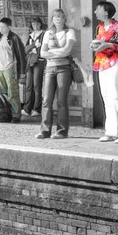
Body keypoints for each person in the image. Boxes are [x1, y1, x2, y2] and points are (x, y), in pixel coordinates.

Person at [92, 1, 118, 144]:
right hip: (102, 63)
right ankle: (110, 131)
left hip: (115, 62)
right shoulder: (100, 27)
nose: (95, 12)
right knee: (106, 97)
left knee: (117, 96)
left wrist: (107, 44)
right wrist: (96, 45)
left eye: (97, 9)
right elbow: (100, 42)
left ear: (106, 11)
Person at [38, 9, 76, 139]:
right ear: (52, 19)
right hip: (49, 68)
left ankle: (62, 131)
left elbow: (67, 51)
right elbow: (42, 53)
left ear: (64, 19)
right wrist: (58, 52)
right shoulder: (48, 33)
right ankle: (44, 130)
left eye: (60, 17)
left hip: (64, 68)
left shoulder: (69, 32)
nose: (57, 19)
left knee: (61, 101)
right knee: (46, 100)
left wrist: (51, 53)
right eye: (55, 17)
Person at [0, 17, 26, 123]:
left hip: (10, 68)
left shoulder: (14, 38)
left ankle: (15, 114)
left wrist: (22, 72)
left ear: (9, 27)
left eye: (3, 27)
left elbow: (21, 55)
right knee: (1, 92)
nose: (1, 29)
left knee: (12, 92)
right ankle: (2, 112)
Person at [21, 17, 47, 118]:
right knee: (28, 86)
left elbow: (41, 50)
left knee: (37, 86)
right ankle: (27, 109)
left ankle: (37, 109)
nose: (35, 25)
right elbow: (25, 50)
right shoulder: (30, 35)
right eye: (33, 23)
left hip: (39, 61)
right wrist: (33, 46)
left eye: (37, 23)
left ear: (40, 24)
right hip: (30, 61)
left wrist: (33, 48)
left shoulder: (44, 34)